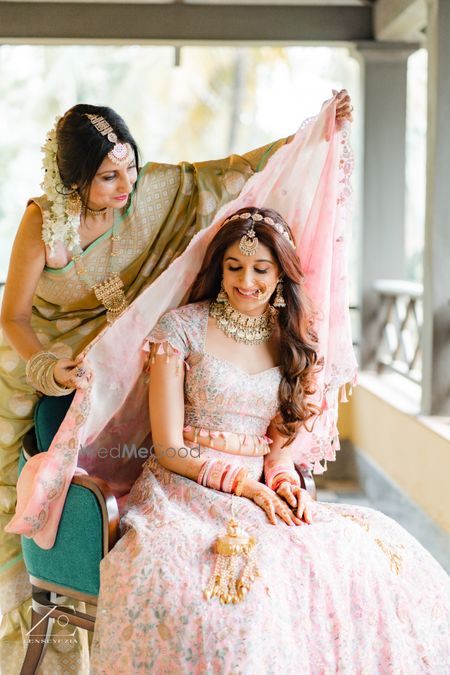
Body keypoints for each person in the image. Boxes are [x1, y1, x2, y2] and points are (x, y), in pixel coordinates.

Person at [0, 95, 353, 672]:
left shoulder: (152, 195)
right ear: (73, 179)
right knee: (19, 485)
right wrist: (46, 367)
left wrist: (310, 137)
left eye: (131, 169)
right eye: (108, 177)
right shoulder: (46, 222)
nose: (125, 186)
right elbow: (13, 316)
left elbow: (227, 173)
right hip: (44, 361)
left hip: (127, 358)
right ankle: (42, 642)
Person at [89, 207, 450, 674]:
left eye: (261, 269)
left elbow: (277, 452)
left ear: (280, 272)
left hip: (261, 496)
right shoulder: (179, 329)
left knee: (361, 561)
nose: (247, 281)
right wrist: (246, 486)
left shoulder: (294, 340)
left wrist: (283, 484)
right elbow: (169, 448)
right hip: (183, 494)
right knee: (225, 595)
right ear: (219, 268)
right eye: (234, 267)